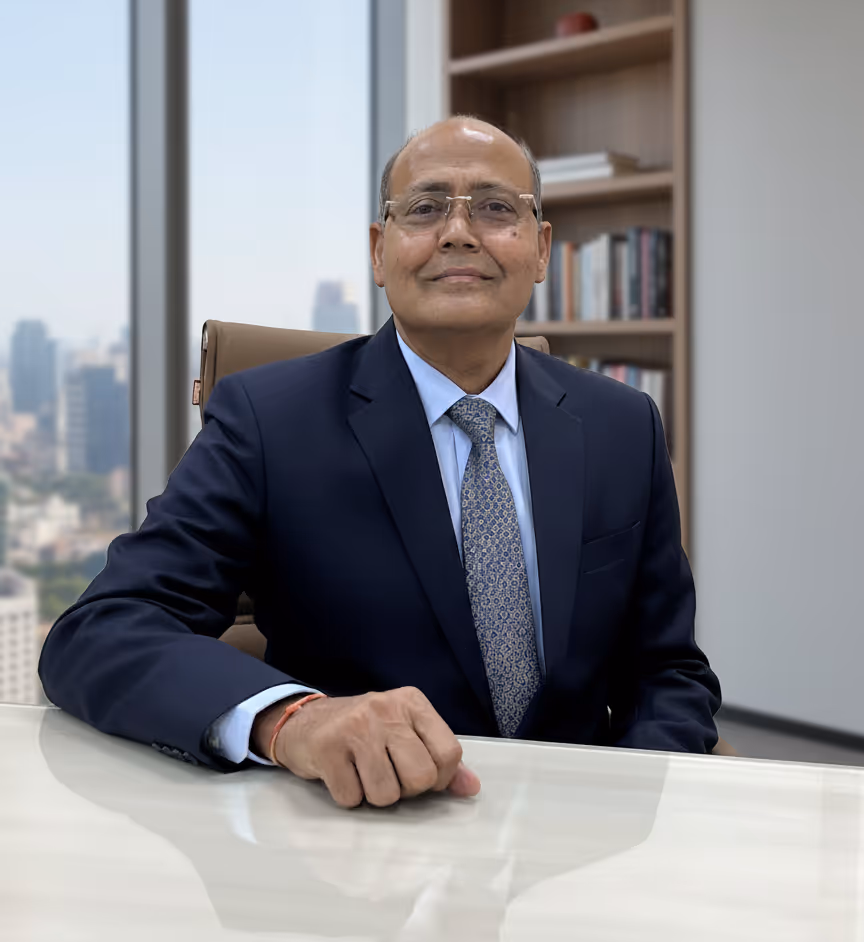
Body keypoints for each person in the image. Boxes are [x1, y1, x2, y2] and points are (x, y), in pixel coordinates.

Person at [39, 116, 720, 808]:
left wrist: (631, 814)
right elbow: (103, 630)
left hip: (571, 844)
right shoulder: (269, 421)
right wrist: (293, 721)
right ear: (378, 250)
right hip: (360, 836)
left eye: (495, 209)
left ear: (541, 250)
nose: (459, 232)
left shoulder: (622, 424)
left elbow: (668, 671)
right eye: (425, 209)